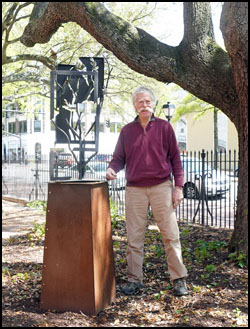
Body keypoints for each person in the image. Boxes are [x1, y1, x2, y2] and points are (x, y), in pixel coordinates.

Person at [106, 86, 188, 296]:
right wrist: (111, 169)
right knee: (134, 237)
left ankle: (178, 279)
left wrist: (178, 187)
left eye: (148, 102)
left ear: (154, 104)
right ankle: (134, 280)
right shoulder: (126, 131)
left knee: (171, 235)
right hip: (135, 190)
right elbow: (118, 158)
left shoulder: (164, 127)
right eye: (140, 102)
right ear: (135, 105)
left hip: (162, 187)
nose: (144, 105)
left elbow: (176, 160)